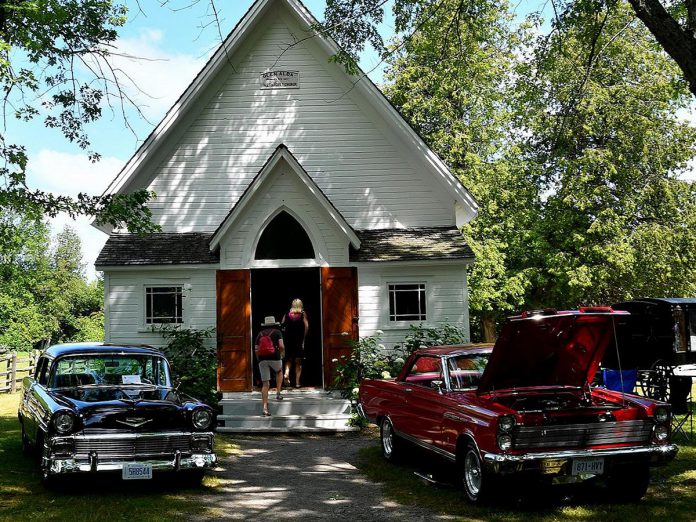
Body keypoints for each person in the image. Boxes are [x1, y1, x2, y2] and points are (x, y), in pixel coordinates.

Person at [255, 315, 285, 416]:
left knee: (265, 384)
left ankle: (265, 408)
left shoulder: (260, 334)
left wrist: (258, 359)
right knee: (279, 371)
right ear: (274, 324)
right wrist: (281, 354)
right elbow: (281, 346)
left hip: (262, 359)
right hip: (274, 357)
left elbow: (256, 348)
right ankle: (278, 393)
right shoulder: (277, 332)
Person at [281, 298, 309, 388]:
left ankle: (286, 373)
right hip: (298, 340)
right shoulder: (302, 314)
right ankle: (297, 382)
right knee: (298, 361)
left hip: (288, 340)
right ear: (301, 305)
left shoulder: (286, 314)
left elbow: (282, 325)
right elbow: (307, 326)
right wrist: (303, 337)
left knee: (288, 359)